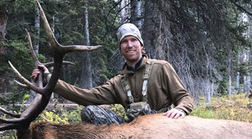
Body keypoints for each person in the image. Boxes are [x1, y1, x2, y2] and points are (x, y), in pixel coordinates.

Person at [32, 23, 193, 124]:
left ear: (141, 44)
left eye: (133, 40)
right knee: (89, 111)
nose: (129, 45)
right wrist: (49, 79)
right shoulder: (118, 82)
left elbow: (184, 98)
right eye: (124, 42)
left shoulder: (161, 68)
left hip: (162, 127)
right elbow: (86, 96)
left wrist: (180, 109)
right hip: (132, 131)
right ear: (120, 48)